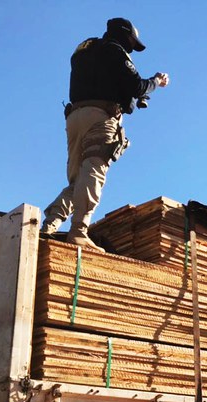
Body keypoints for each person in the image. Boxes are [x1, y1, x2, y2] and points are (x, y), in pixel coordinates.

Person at [41, 18, 170, 251]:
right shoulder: (115, 50)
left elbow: (100, 78)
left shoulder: (85, 49)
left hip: (74, 117)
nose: (132, 47)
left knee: (78, 179)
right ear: (123, 35)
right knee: (93, 171)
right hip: (101, 117)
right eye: (131, 41)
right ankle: (79, 231)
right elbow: (136, 87)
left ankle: (50, 224)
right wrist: (156, 82)